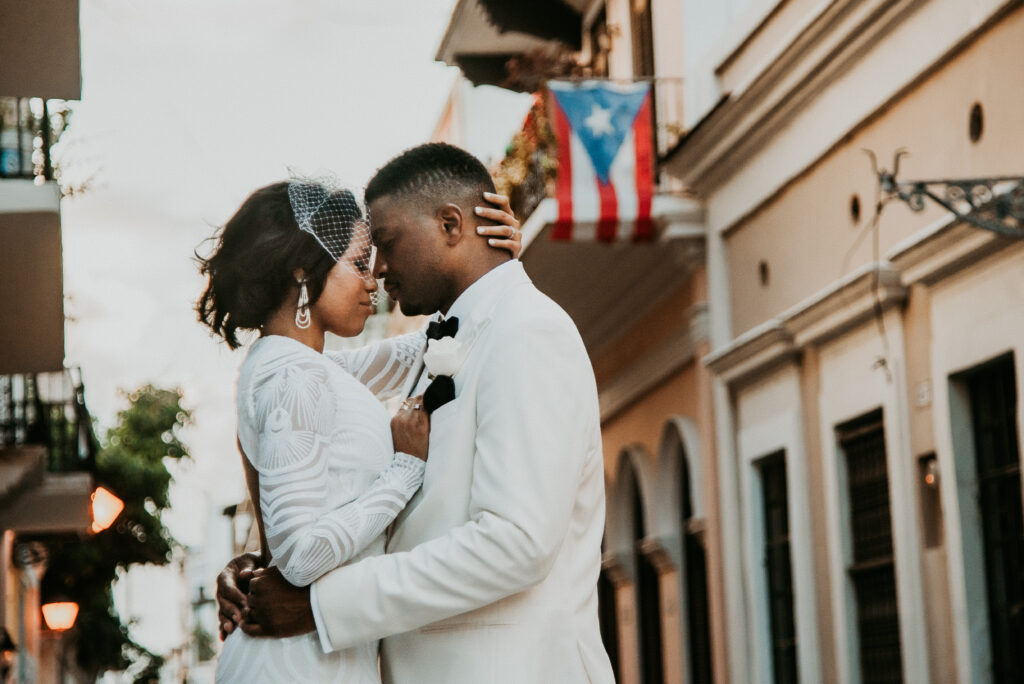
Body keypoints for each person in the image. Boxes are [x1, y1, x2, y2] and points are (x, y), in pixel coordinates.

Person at [217, 144, 615, 684]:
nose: (378, 270)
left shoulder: (527, 332)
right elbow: (298, 413)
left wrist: (318, 604)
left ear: (451, 225)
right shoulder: (437, 345)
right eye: (364, 256)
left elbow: (516, 542)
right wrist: (263, 567)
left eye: (384, 244)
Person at [196, 177, 521, 683]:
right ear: (303, 271)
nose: (372, 281)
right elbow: (300, 560)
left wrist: (490, 266)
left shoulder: (300, 366)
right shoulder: (292, 375)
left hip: (322, 656)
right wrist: (405, 469)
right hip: (296, 665)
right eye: (356, 263)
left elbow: (424, 351)